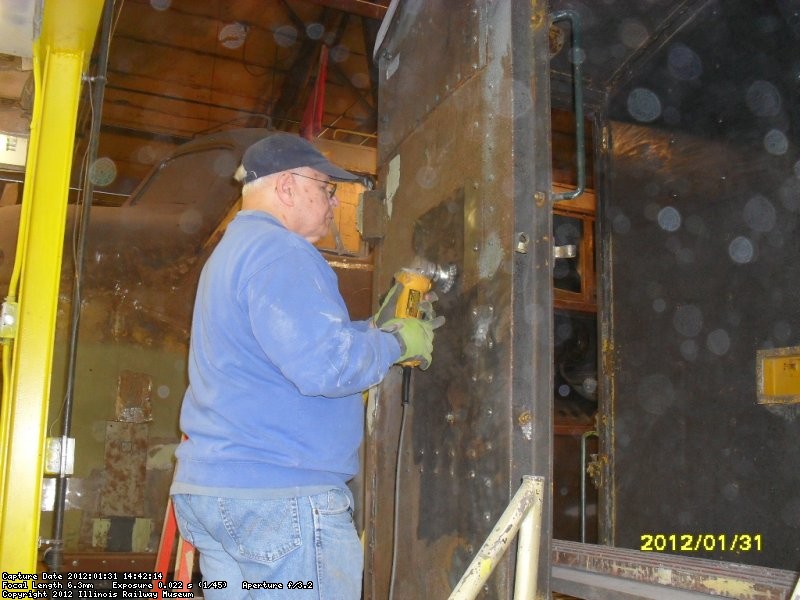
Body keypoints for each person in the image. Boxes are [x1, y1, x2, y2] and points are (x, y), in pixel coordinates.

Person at [169, 132, 442, 599]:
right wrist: (397, 342)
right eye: (326, 188)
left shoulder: (233, 255)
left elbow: (275, 354)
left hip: (217, 495)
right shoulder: (282, 252)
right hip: (279, 500)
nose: (334, 203)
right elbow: (326, 367)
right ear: (287, 187)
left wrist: (367, 334)